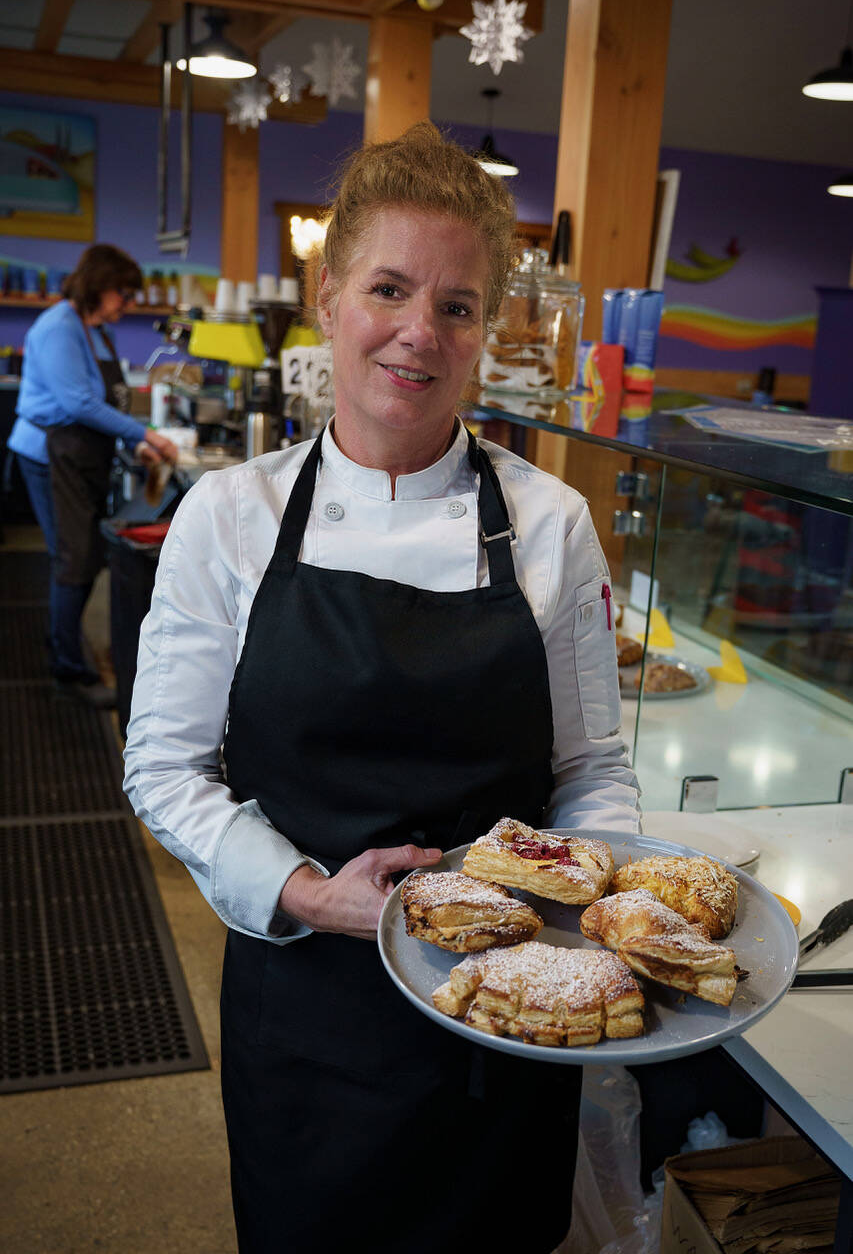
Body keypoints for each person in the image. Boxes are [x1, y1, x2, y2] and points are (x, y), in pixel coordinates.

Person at [123, 123, 640, 1254]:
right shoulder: (233, 515)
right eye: (389, 288)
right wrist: (309, 891)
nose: (419, 332)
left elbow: (590, 767)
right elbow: (164, 767)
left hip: (505, 1013)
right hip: (308, 1007)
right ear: (328, 296)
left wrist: (587, 934)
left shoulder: (550, 524)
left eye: (457, 305)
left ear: (489, 329)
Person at [7, 243, 178, 707]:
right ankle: (69, 672)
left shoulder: (94, 329)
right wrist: (147, 433)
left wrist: (134, 443)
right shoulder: (59, 327)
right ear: (100, 286)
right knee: (74, 558)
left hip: (81, 450)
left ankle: (64, 646)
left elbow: (102, 401)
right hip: (52, 452)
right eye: (123, 293)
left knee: (80, 555)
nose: (128, 303)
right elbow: (76, 404)